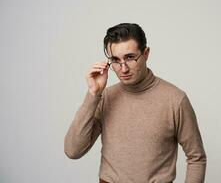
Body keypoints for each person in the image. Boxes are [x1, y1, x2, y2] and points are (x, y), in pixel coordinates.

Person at [64, 23, 207, 183]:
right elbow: (73, 151)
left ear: (146, 54)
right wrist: (93, 94)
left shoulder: (175, 99)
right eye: (116, 60)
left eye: (130, 58)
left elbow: (196, 157)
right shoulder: (105, 97)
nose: (123, 69)